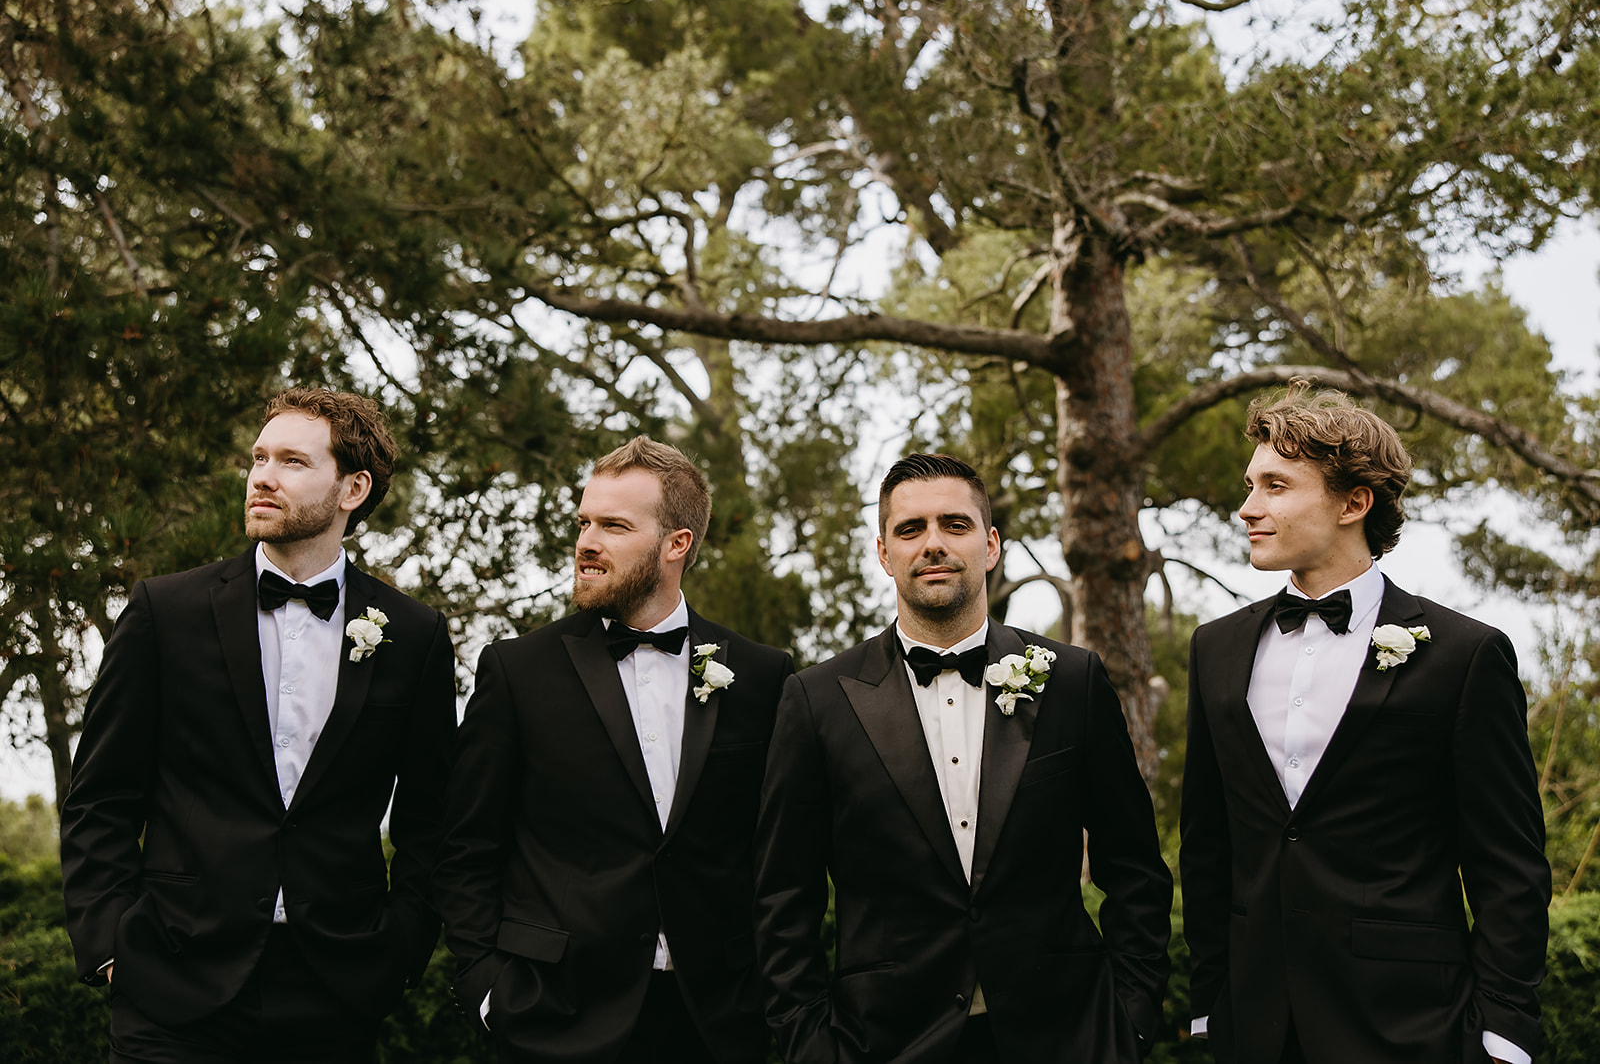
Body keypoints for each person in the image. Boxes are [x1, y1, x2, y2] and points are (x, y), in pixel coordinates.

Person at [60, 388, 457, 1063]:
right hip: (172, 986)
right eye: (259, 458)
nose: (263, 476)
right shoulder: (166, 611)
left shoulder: (413, 636)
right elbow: (100, 796)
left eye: (293, 461)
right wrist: (110, 946)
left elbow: (432, 820)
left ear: (352, 488)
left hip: (335, 991)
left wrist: (399, 947)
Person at [755, 453, 1173, 1063]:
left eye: (955, 525)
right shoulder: (818, 699)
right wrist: (812, 1047)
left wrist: (1126, 1024)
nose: (933, 544)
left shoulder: (1072, 682)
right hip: (883, 1044)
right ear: (882, 552)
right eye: (910, 529)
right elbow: (782, 900)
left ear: (992, 544)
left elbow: (1135, 868)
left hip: (1065, 1037)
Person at [1180, 381, 1550, 1064]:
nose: (1246, 508)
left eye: (1276, 486)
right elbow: (1209, 843)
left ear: (1354, 502)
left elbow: (1508, 864)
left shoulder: (1464, 655)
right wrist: (1210, 1003)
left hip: (1414, 1026)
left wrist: (1503, 1030)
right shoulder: (1215, 648)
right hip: (1253, 1026)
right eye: (1250, 485)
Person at [434, 437, 794, 1063]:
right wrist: (487, 988)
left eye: (613, 526)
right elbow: (466, 846)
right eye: (583, 523)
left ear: (676, 544)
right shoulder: (518, 671)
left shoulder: (763, 677)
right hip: (554, 1017)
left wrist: (777, 997)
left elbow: (780, 855)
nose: (585, 542)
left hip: (716, 1022)